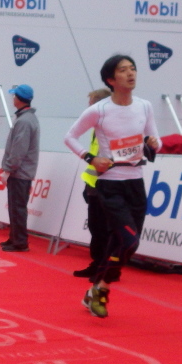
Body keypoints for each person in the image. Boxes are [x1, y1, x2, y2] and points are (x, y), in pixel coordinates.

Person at [65, 55, 160, 318]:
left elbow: (154, 138)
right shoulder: (99, 110)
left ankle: (95, 289)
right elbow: (70, 137)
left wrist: (153, 143)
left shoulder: (144, 106)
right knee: (128, 240)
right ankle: (102, 290)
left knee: (127, 243)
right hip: (110, 185)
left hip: (136, 183)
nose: (131, 74)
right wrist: (90, 158)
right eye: (123, 70)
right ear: (110, 79)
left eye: (133, 69)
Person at [73, 88, 112, 279]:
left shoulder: (109, 128)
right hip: (94, 185)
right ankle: (99, 264)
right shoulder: (97, 128)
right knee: (97, 228)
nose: (87, 109)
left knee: (102, 228)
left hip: (104, 187)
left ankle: (103, 266)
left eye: (91, 105)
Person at [0, 84, 40, 253]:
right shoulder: (27, 119)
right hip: (21, 171)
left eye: (14, 96)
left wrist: (8, 168)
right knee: (16, 207)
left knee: (17, 207)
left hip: (20, 172)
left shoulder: (23, 121)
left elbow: (18, 150)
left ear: (19, 98)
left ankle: (20, 241)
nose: (12, 99)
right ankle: (15, 237)